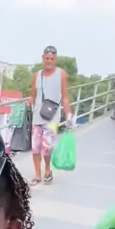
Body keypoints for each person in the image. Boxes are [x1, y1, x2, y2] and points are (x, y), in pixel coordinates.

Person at [29, 46, 72, 185]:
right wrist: (28, 102)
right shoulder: (36, 76)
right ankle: (37, 175)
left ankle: (47, 169)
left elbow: (65, 96)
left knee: (46, 148)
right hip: (37, 116)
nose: (49, 61)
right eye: (46, 58)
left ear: (55, 59)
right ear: (43, 58)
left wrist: (68, 115)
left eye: (51, 59)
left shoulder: (61, 74)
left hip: (52, 117)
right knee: (35, 147)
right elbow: (32, 95)